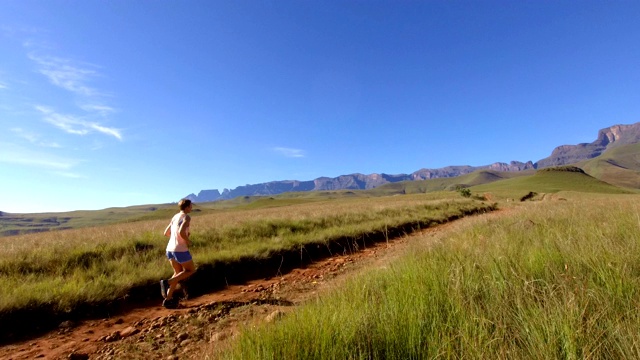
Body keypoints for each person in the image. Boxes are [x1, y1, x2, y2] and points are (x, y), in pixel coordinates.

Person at [160, 198, 196, 309]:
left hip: (169, 249)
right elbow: (181, 231)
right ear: (186, 207)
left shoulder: (175, 216)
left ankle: (168, 299)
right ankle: (167, 282)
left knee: (177, 273)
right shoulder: (186, 217)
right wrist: (187, 240)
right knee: (190, 270)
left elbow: (166, 233)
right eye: (190, 206)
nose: (192, 207)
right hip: (180, 249)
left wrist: (177, 237)